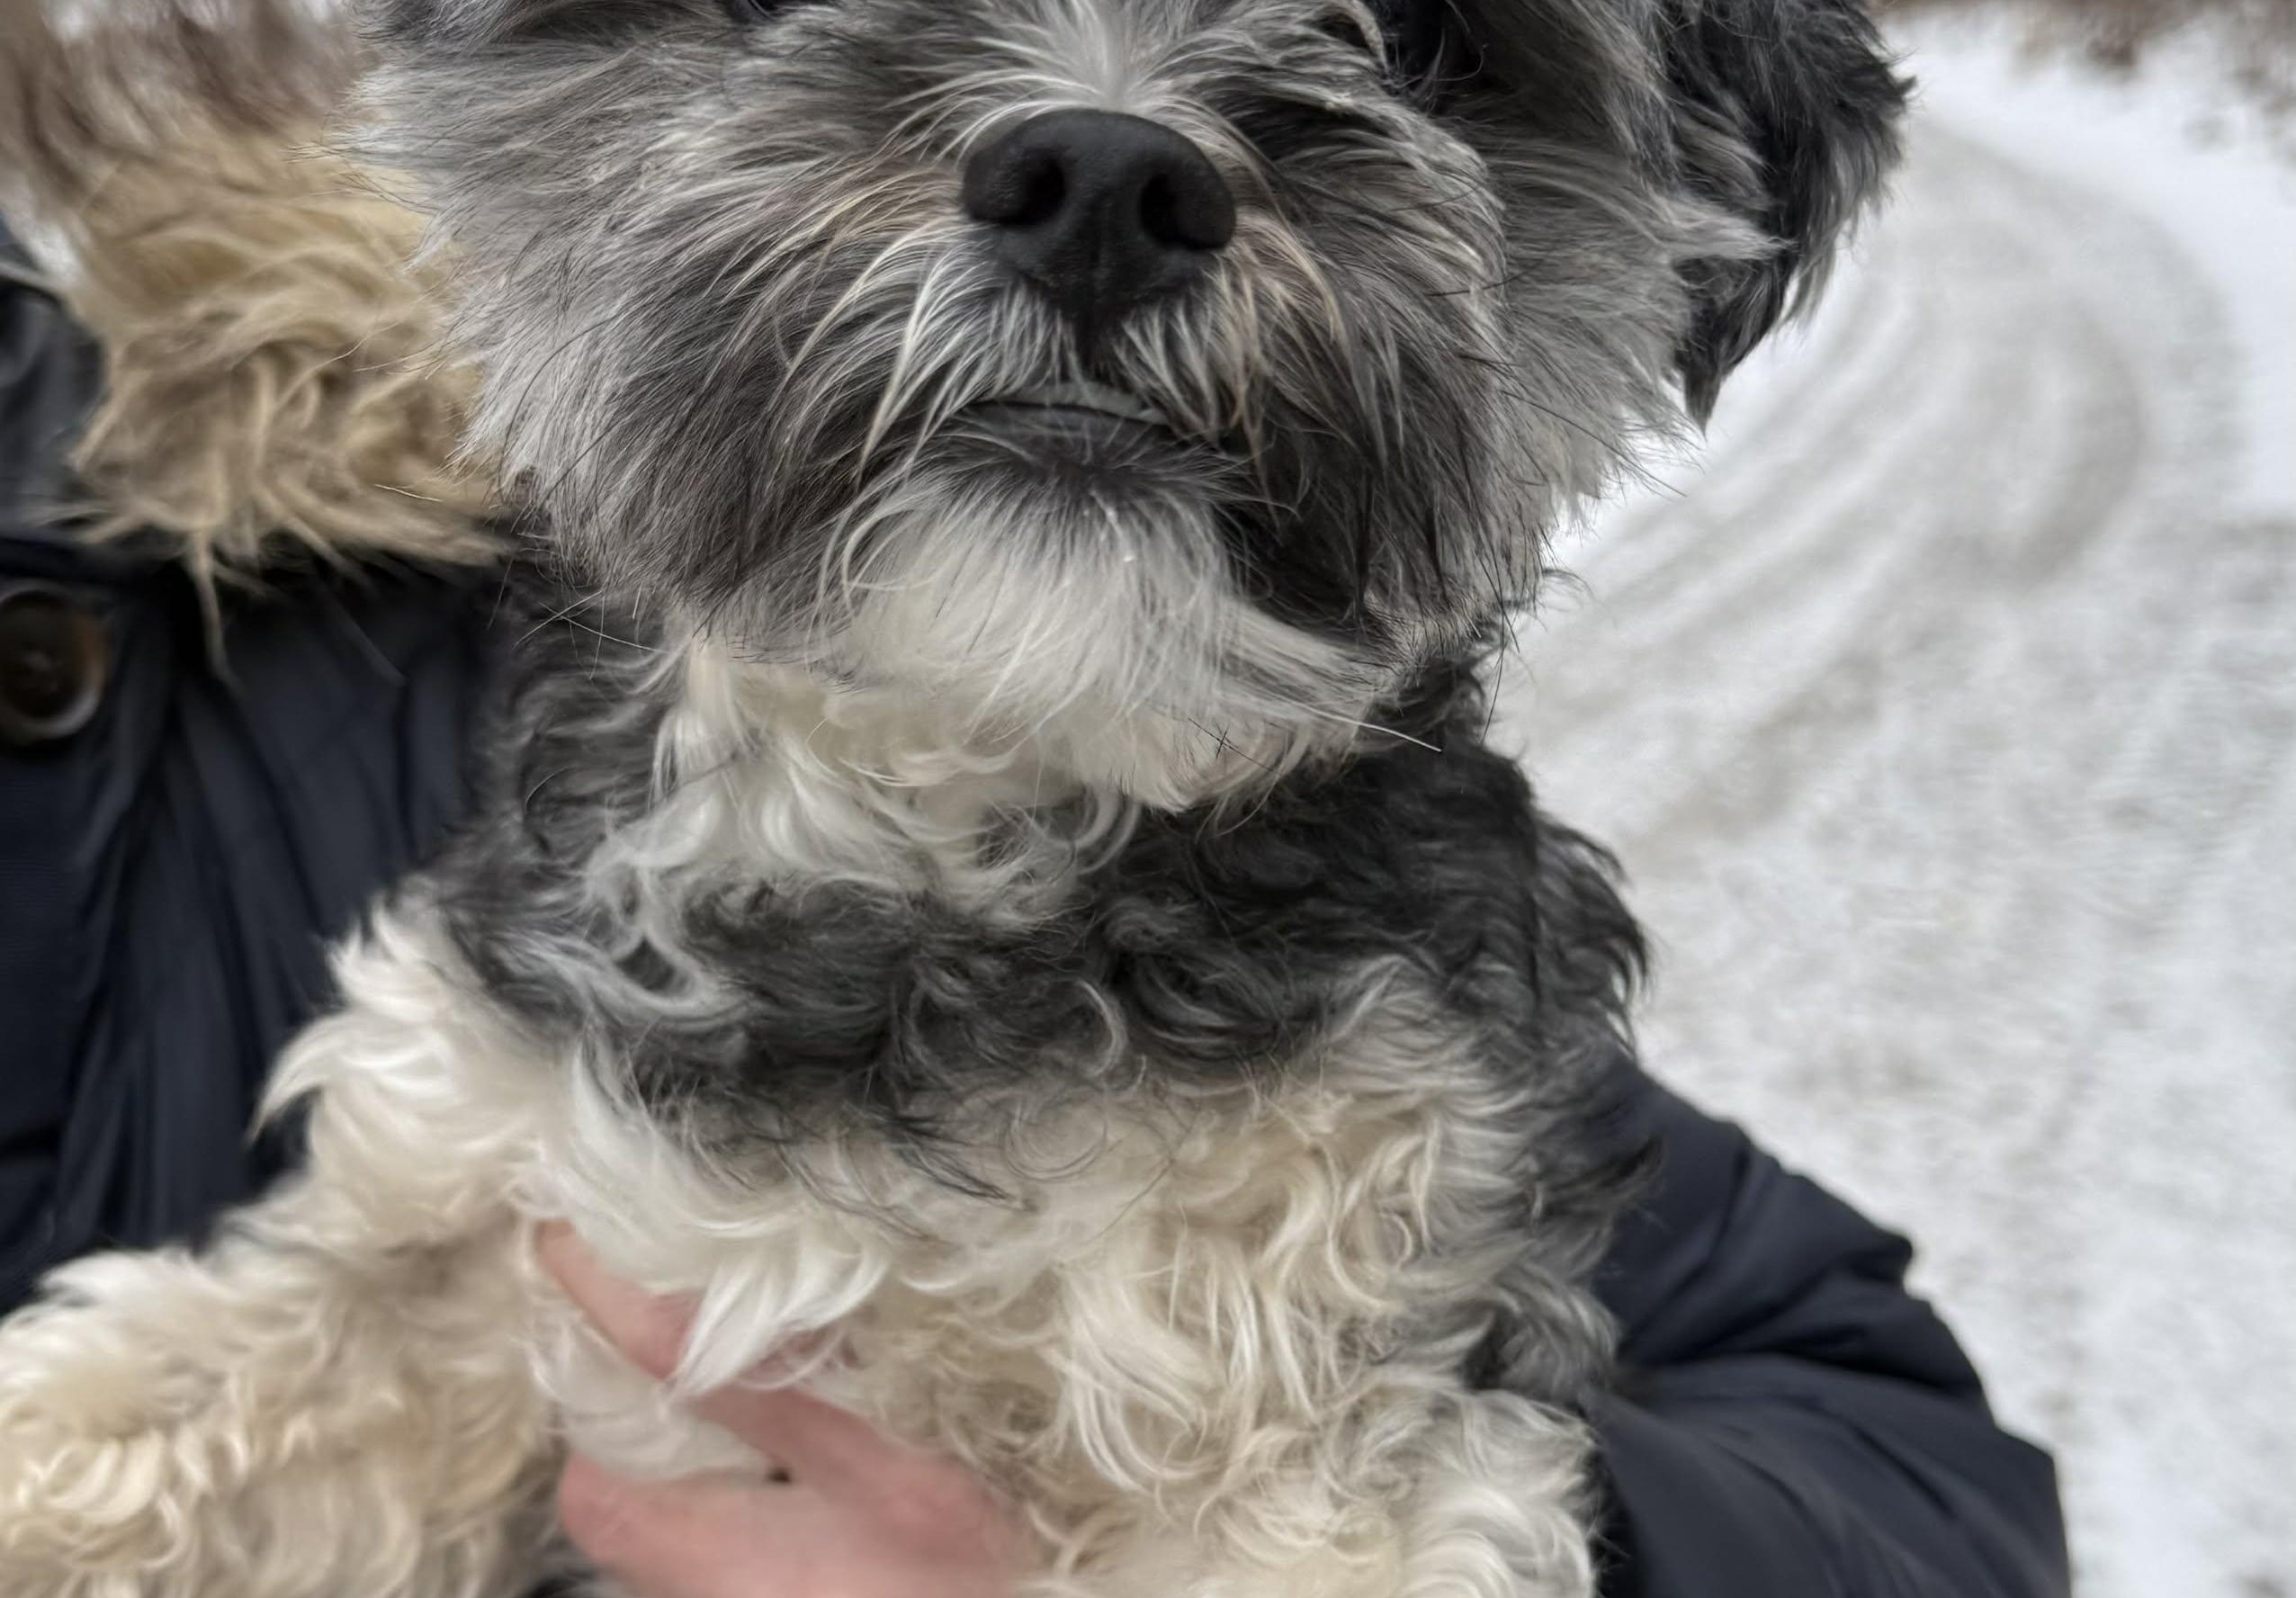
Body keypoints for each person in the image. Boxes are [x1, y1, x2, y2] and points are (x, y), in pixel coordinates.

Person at [0, 221, 2068, 1598]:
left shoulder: (370, 610)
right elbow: (331, 1402)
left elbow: (1899, 1469)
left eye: (1388, 17)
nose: (1094, 133)